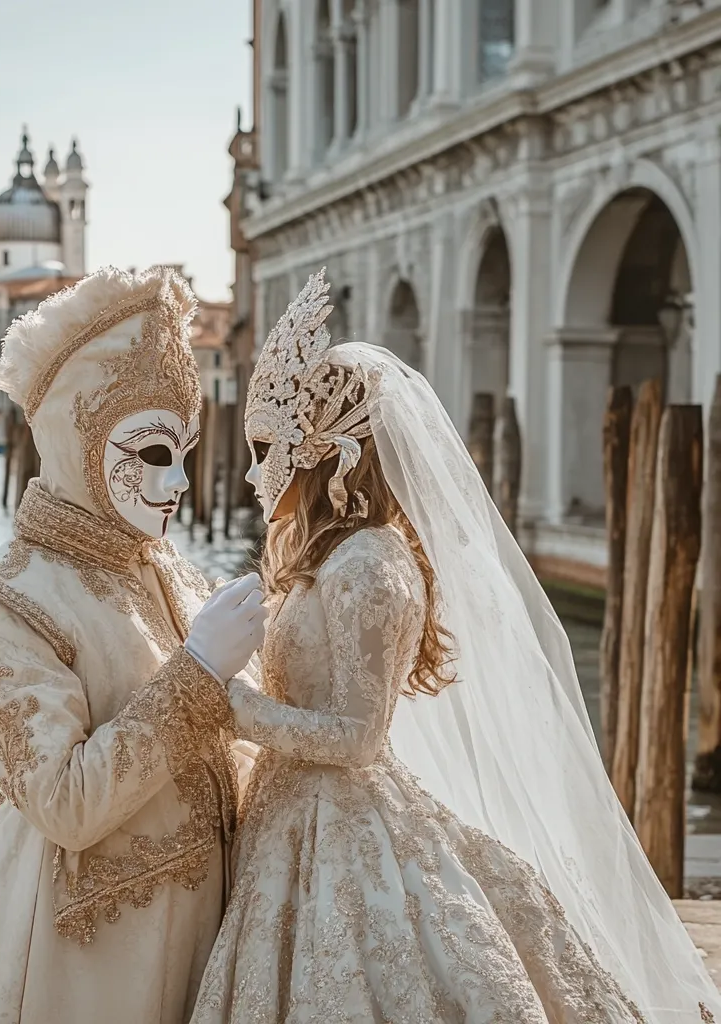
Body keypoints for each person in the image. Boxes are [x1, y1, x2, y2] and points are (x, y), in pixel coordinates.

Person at [190, 269, 721, 1023]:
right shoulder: (331, 555)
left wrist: (231, 702)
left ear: (329, 453)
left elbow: (359, 738)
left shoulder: (370, 565)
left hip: (342, 823)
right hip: (292, 820)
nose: (251, 469)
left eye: (270, 447)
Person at [0, 266, 265, 1024]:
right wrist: (199, 671)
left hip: (203, 931)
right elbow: (65, 804)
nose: (178, 486)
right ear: (80, 442)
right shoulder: (7, 605)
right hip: (86, 962)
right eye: (152, 454)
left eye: (187, 451)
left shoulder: (167, 573)